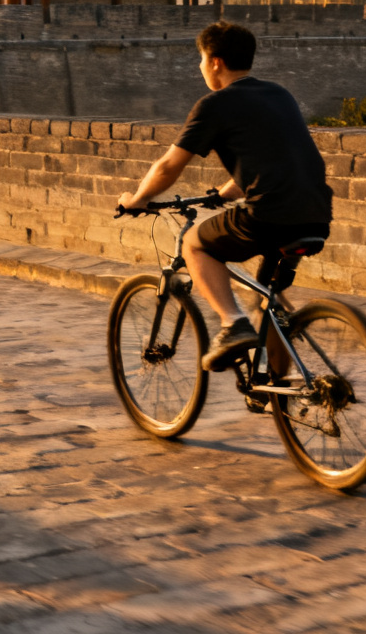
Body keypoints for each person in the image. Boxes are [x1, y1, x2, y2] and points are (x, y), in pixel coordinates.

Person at [117, 21, 332, 372]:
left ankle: (233, 324)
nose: (200, 66)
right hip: (316, 214)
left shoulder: (215, 104)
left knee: (195, 245)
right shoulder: (279, 94)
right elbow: (272, 158)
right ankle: (280, 386)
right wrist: (226, 192)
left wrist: (137, 198)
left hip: (269, 216)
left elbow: (169, 166)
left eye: (201, 59)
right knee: (270, 301)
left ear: (215, 62)